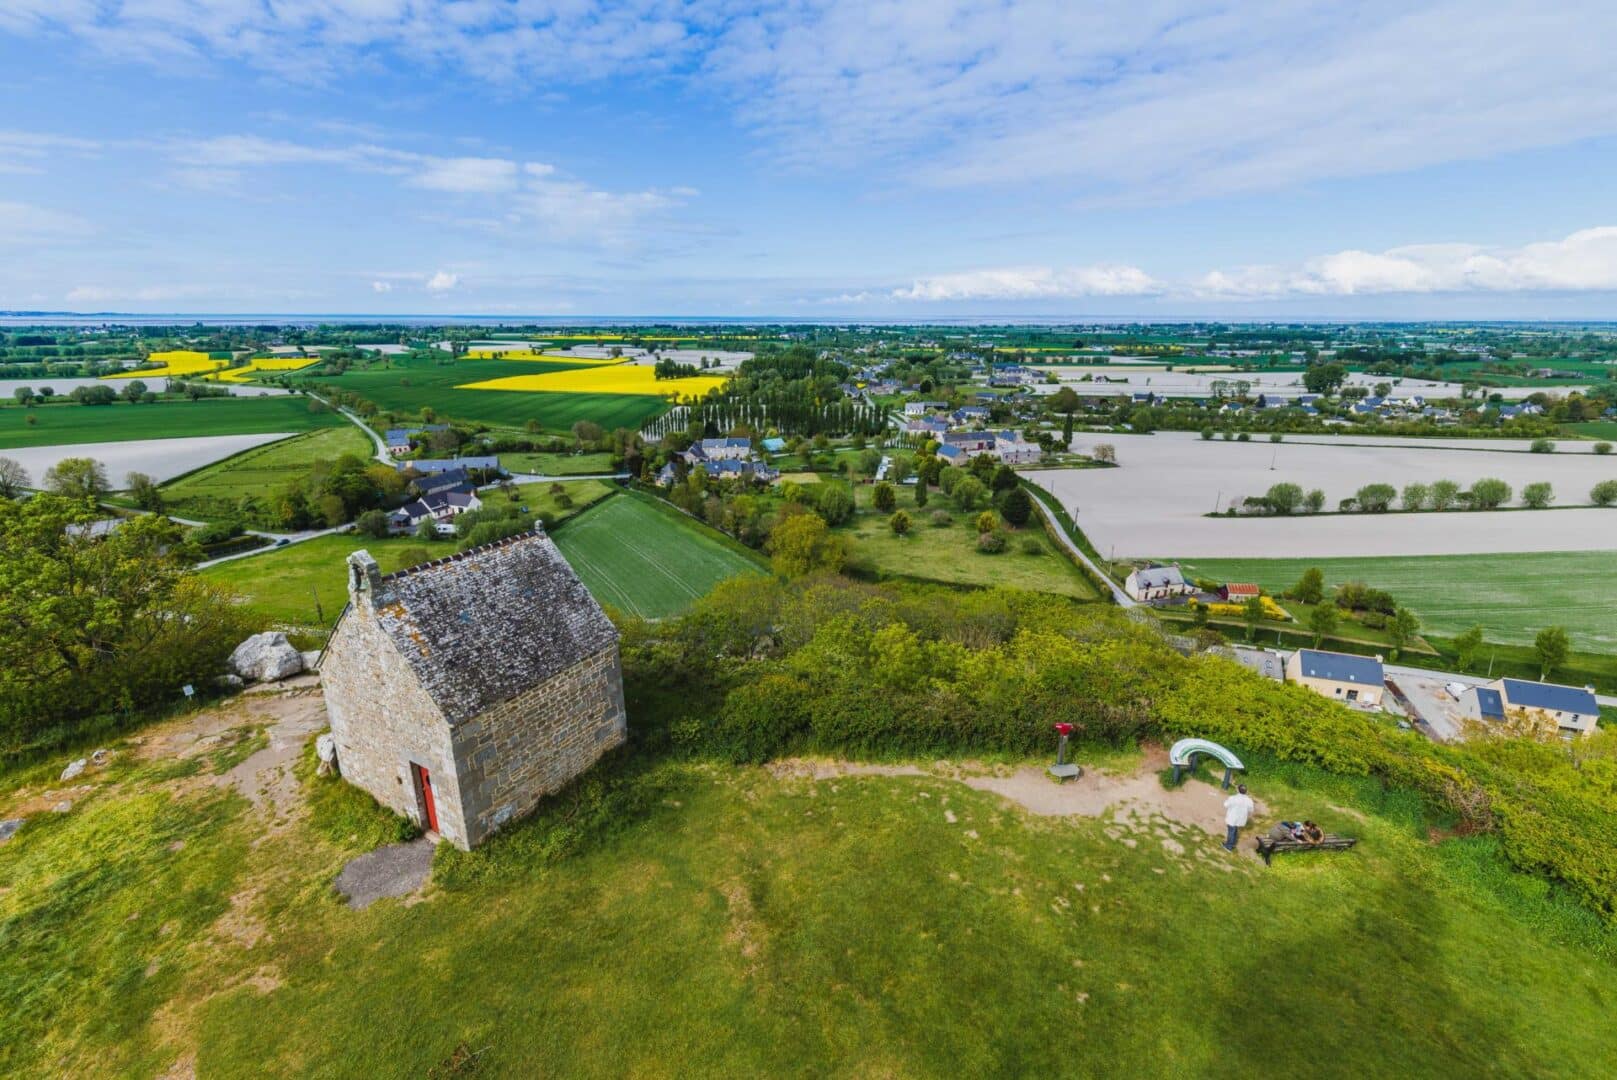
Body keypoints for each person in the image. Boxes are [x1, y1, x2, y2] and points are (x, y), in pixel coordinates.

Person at [1223, 783, 1254, 852]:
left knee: (1231, 831)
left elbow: (1225, 805)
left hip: (1232, 818)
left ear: (1238, 790)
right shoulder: (1249, 800)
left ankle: (1229, 846)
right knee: (1235, 830)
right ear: (1246, 791)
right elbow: (1251, 810)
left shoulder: (1233, 798)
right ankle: (1233, 843)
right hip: (1241, 819)